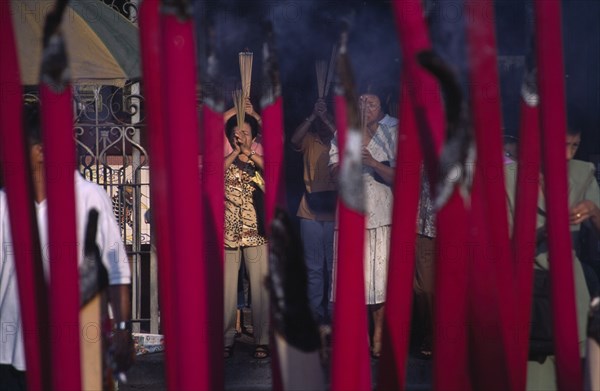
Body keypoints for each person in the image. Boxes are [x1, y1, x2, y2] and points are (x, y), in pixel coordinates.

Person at [0, 103, 134, 389]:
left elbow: (116, 271)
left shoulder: (89, 197)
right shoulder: (4, 201)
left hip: (77, 350)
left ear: (39, 150)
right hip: (10, 350)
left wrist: (122, 330)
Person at [505, 126, 598, 390]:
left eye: (575, 146)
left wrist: (593, 210)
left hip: (571, 294)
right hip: (529, 296)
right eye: (563, 145)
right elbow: (504, 246)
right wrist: (547, 230)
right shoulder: (508, 177)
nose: (568, 155)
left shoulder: (582, 173)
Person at [329, 93, 398, 358]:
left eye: (372, 103)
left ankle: (379, 331)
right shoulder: (342, 133)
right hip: (350, 213)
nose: (366, 108)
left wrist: (372, 163)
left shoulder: (392, 134)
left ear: (382, 107)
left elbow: (401, 175)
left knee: (379, 278)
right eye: (361, 103)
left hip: (381, 211)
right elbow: (333, 173)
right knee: (354, 276)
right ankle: (360, 333)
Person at [223, 114, 270, 360]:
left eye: (245, 134)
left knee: (260, 290)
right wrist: (234, 153)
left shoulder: (258, 161)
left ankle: (262, 339)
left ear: (254, 137)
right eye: (235, 134)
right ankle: (226, 338)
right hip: (228, 234)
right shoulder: (225, 161)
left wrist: (249, 153)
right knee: (227, 290)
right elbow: (211, 175)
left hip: (256, 233)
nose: (240, 137)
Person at [290, 98, 337, 327]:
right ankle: (315, 312)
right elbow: (294, 139)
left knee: (333, 266)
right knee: (314, 266)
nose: (321, 125)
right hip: (309, 209)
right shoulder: (310, 139)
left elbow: (340, 134)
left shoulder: (338, 141)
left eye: (324, 121)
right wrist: (312, 116)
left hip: (334, 210)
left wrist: (325, 116)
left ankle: (333, 310)